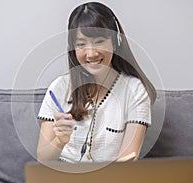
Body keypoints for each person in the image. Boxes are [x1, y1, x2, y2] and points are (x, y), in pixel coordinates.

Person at [37, 2, 156, 163]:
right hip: (64, 180)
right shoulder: (59, 88)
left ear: (114, 42)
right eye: (81, 44)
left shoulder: (134, 90)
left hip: (111, 181)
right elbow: (43, 159)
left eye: (99, 41)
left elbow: (128, 160)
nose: (91, 53)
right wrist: (59, 141)